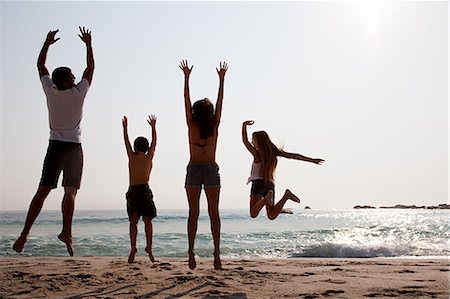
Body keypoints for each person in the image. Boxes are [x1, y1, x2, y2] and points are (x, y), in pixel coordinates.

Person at [13, 27, 94, 256]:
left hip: (55, 146)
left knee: (42, 191)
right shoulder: (78, 93)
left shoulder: (51, 90)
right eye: (71, 76)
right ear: (68, 81)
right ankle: (66, 231)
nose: (75, 77)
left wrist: (47, 44)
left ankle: (24, 234)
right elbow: (91, 68)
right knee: (70, 192)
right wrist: (88, 45)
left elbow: (41, 66)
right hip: (73, 148)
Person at [179, 60, 228, 270]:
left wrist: (186, 77)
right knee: (213, 213)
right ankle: (217, 253)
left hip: (194, 169)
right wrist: (222, 79)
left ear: (196, 112)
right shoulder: (215, 124)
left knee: (193, 213)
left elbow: (185, 99)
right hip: (210, 169)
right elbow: (220, 100)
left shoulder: (191, 124)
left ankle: (191, 252)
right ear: (211, 112)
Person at [242, 120, 324, 220]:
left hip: (258, 183)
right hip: (269, 184)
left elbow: (245, 141)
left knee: (253, 214)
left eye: (253, 140)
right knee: (271, 215)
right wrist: (312, 160)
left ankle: (265, 200)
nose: (251, 142)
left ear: (257, 142)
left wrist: (244, 126)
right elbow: (293, 156)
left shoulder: (257, 154)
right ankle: (286, 196)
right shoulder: (275, 153)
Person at [122, 115, 158, 263]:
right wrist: (153, 128)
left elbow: (126, 142)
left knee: (135, 221)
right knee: (144, 221)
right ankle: (138, 248)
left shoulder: (134, 156)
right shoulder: (147, 156)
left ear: (136, 147)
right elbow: (155, 142)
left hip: (137, 190)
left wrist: (125, 128)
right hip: (141, 190)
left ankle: (140, 248)